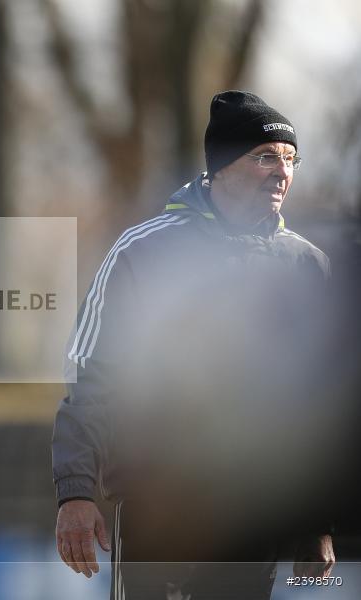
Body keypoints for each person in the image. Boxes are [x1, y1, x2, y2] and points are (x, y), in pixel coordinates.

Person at [52, 90, 335, 599]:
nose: (282, 172)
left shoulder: (307, 265)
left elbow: (322, 402)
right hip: (159, 509)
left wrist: (317, 517)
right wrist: (75, 492)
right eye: (265, 157)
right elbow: (91, 374)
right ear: (221, 165)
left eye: (290, 159)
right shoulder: (144, 249)